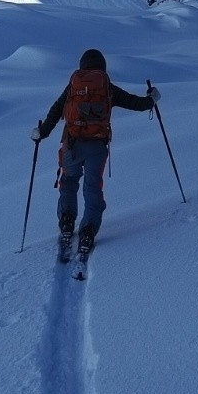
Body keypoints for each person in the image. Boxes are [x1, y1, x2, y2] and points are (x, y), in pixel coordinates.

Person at [33, 48, 159, 259]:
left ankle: (66, 221)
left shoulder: (73, 85)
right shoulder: (106, 87)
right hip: (97, 147)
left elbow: (56, 111)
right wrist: (152, 99)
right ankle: (89, 230)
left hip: (71, 144)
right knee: (92, 186)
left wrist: (41, 132)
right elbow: (135, 103)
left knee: (69, 181)